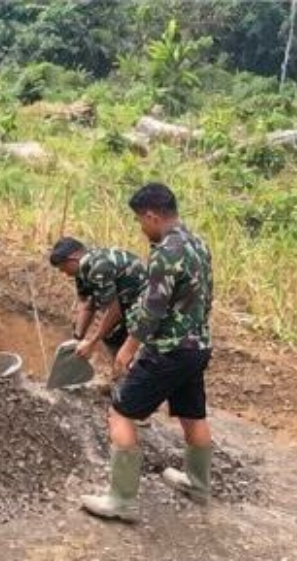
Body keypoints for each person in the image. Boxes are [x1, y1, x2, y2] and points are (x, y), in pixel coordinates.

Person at [81, 182, 215, 521]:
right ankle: (198, 485)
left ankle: (121, 501)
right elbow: (206, 297)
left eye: (141, 220)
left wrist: (126, 349)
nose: (141, 228)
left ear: (152, 216)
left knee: (121, 412)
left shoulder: (165, 254)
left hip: (168, 351)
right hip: (197, 346)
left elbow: (152, 310)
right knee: (193, 414)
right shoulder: (198, 244)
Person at [48, 237, 148, 359]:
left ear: (73, 258)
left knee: (126, 347)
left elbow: (114, 311)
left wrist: (92, 343)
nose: (65, 274)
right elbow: (88, 305)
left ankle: (124, 369)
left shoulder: (98, 267)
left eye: (64, 268)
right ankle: (120, 369)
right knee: (111, 336)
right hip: (125, 301)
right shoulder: (82, 269)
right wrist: (78, 338)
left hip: (146, 303)